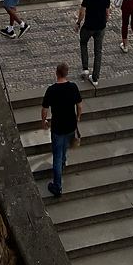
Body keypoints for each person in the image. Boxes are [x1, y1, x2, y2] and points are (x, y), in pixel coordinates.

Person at [40, 63, 81, 197]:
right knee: (64, 145)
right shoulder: (73, 87)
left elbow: (44, 109)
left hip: (58, 126)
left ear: (56, 73)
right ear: (67, 73)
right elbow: (79, 106)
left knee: (56, 155)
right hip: (70, 125)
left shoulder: (51, 90)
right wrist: (78, 118)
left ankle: (57, 186)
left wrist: (44, 121)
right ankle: (63, 161)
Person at [77, 0, 110, 86]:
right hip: (100, 27)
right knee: (98, 51)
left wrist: (78, 22)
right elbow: (107, 13)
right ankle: (95, 78)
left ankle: (85, 68)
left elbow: (82, 12)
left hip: (88, 26)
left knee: (83, 43)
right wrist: (104, 21)